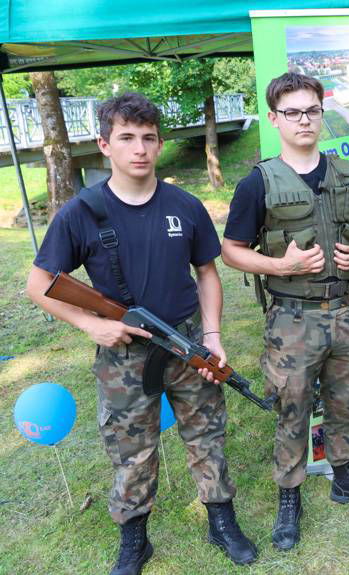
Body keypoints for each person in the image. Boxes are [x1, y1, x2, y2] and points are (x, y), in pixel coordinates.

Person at [25, 93, 258, 575]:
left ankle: (222, 522)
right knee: (130, 449)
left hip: (187, 340)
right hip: (125, 354)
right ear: (105, 145)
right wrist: (92, 324)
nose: (140, 149)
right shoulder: (81, 213)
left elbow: (207, 274)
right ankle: (135, 541)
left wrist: (212, 336)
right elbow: (38, 285)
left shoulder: (185, 205)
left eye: (149, 138)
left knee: (207, 435)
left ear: (159, 143)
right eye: (127, 138)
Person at [221, 72, 349, 552]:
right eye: (293, 112)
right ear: (275, 119)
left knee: (348, 400)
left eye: (312, 110)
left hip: (348, 311)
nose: (304, 120)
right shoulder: (258, 182)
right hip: (293, 319)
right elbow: (232, 251)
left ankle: (346, 477)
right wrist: (282, 264)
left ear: (322, 112)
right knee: (292, 406)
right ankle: (290, 496)